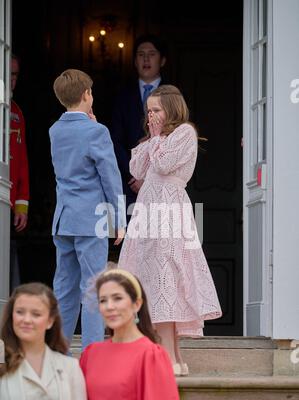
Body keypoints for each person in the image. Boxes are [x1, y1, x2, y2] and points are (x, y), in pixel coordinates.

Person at [118, 85, 222, 376]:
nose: (151, 115)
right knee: (154, 275)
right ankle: (174, 356)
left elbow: (164, 165)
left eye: (157, 110)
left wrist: (154, 140)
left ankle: (167, 355)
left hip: (169, 209)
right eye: (148, 110)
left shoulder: (184, 133)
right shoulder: (157, 139)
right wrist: (152, 139)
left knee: (167, 274)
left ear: (172, 109)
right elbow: (136, 168)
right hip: (148, 211)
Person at [49, 69, 126, 350]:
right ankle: (93, 353)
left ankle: (58, 351)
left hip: (64, 219)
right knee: (92, 288)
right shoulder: (98, 132)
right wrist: (119, 218)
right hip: (91, 220)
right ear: (86, 95)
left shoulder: (55, 130)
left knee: (64, 288)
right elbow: (110, 176)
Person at [80, 268, 181, 400]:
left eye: (117, 298)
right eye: (103, 300)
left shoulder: (151, 355)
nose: (109, 306)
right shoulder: (91, 354)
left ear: (137, 304)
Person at [0, 282, 90, 400]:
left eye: (36, 314)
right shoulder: (2, 363)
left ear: (50, 321)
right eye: (20, 312)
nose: (26, 319)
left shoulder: (70, 367)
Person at [110, 34, 167, 213]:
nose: (146, 59)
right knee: (128, 238)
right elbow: (115, 140)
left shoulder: (174, 96)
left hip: (164, 183)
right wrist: (135, 174)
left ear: (163, 60)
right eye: (141, 54)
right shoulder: (121, 96)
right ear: (135, 61)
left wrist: (151, 176)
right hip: (129, 184)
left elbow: (177, 137)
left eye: (151, 54)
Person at [9, 54, 30, 292]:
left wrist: (22, 205)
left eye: (15, 75)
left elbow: (21, 161)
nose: (12, 79)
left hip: (9, 200)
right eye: (8, 73)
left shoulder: (16, 112)